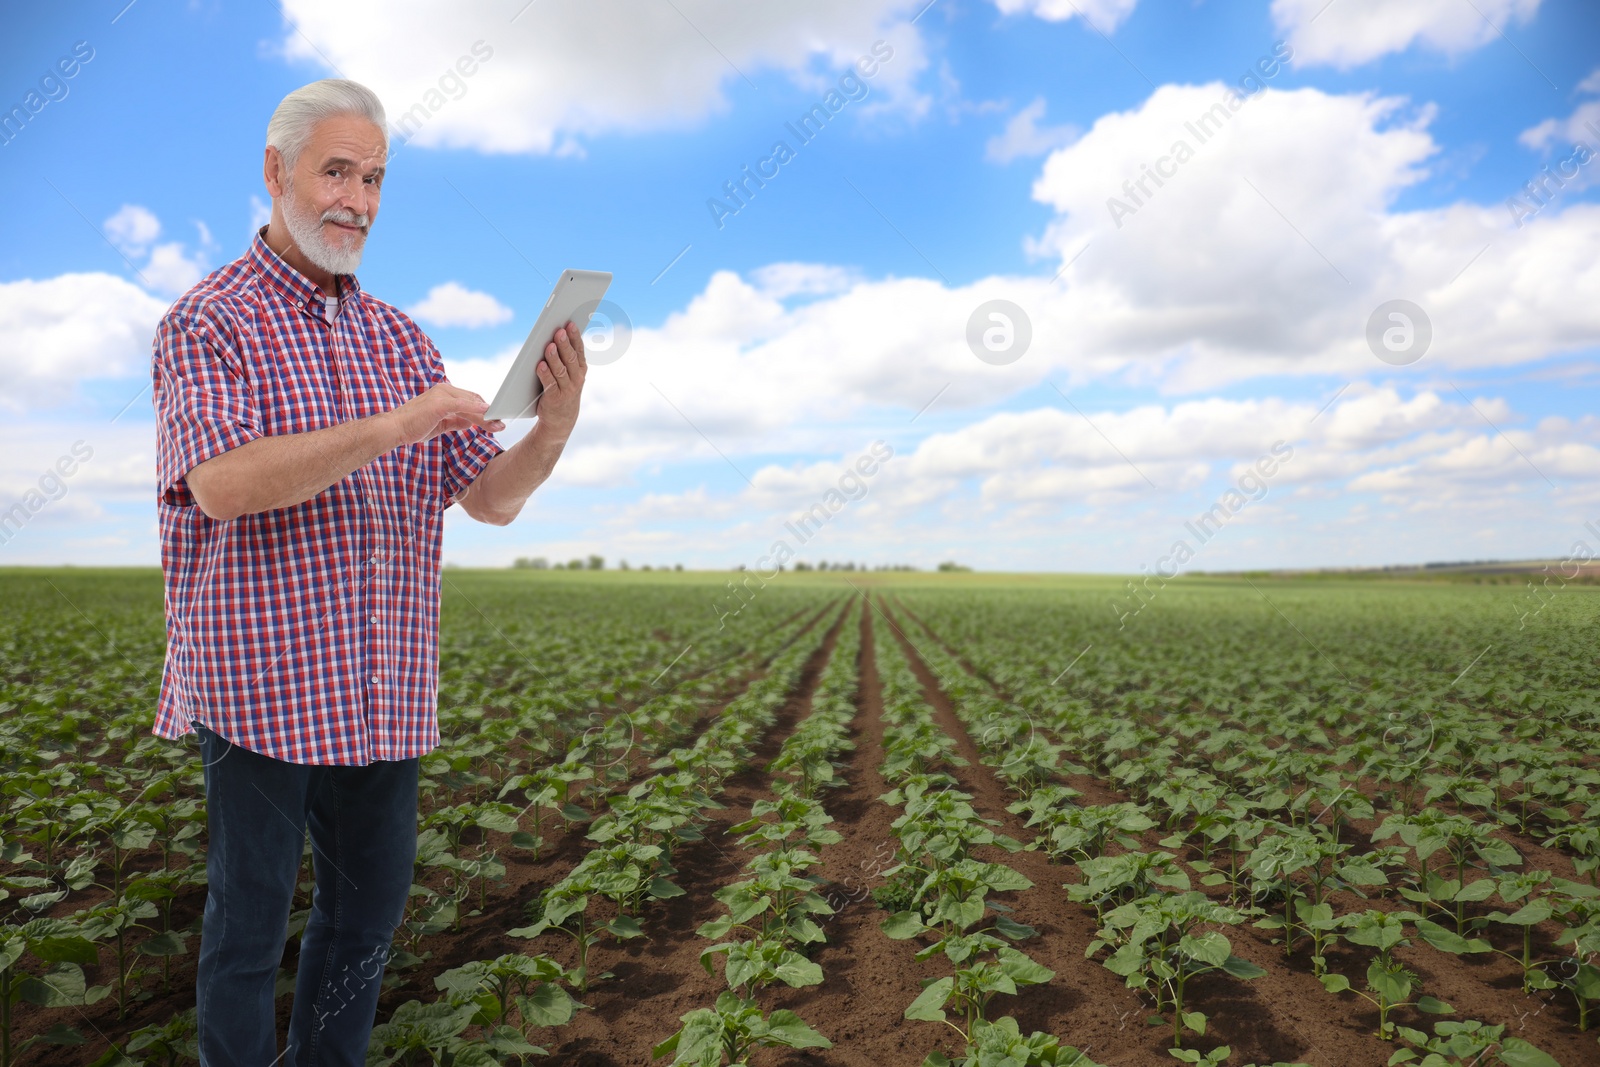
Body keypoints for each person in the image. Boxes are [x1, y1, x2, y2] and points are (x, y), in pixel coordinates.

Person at [149, 78, 586, 1066]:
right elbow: (220, 483)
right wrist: (396, 423)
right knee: (250, 926)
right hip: (260, 686)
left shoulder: (401, 338)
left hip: (381, 688)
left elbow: (490, 497)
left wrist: (552, 423)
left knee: (360, 927)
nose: (356, 197)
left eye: (375, 177)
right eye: (336, 170)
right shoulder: (209, 321)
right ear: (277, 172)